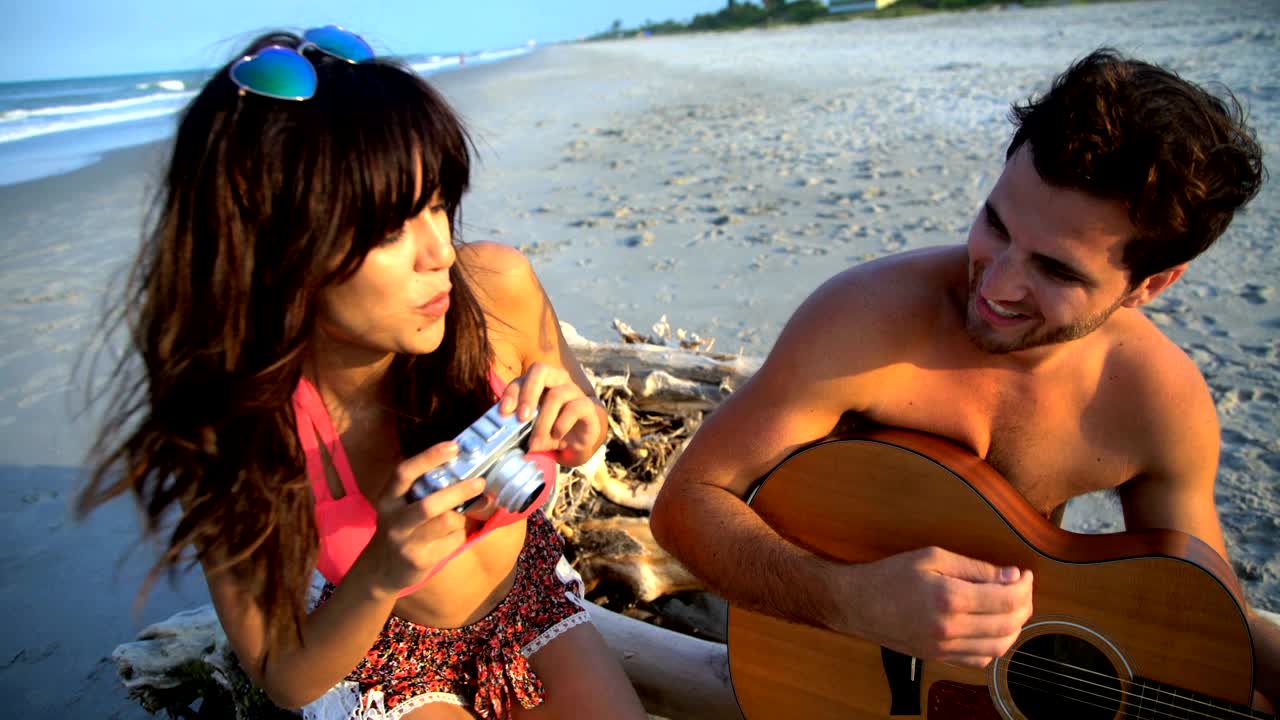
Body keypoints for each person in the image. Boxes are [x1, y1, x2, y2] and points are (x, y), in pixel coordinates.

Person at [650, 48, 1278, 704]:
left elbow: (1215, 623)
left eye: (1056, 271)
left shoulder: (1157, 403)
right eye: (996, 224)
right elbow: (686, 504)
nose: (997, 283)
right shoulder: (865, 321)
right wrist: (851, 602)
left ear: (1150, 284)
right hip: (826, 662)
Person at [78, 27, 647, 720]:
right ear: (278, 253)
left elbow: (579, 413)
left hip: (527, 600)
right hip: (377, 655)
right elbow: (285, 674)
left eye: (438, 203)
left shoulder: (499, 290)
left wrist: (579, 432)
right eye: (389, 228)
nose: (439, 251)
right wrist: (382, 572)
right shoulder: (239, 431)